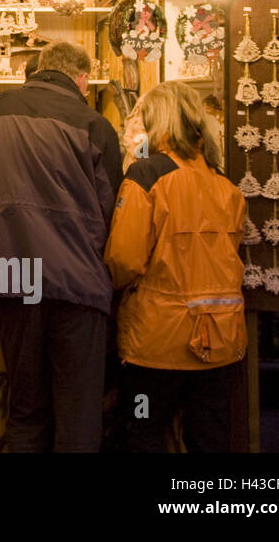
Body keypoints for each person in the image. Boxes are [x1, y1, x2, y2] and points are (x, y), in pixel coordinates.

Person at [0, 41, 123, 452]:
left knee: (26, 407)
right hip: (79, 283)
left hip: (8, 275)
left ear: (39, 69)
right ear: (81, 78)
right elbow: (112, 211)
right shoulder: (95, 125)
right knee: (78, 414)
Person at [104, 81, 247, 452]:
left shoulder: (145, 177)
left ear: (158, 123)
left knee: (142, 434)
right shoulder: (226, 185)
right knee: (210, 439)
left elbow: (124, 258)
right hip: (220, 338)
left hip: (157, 343)